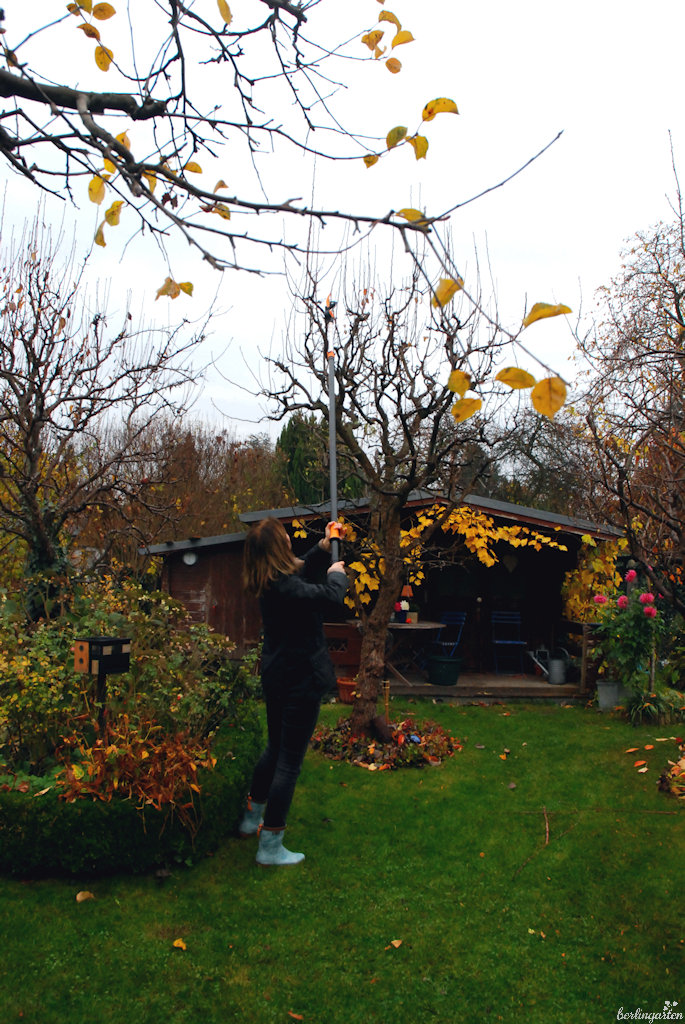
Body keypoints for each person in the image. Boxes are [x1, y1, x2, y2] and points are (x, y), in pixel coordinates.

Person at [239, 517, 348, 866]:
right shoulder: (288, 589)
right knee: (289, 762)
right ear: (276, 546)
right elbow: (331, 598)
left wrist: (323, 545)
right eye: (284, 534)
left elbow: (298, 567)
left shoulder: (270, 579)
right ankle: (270, 844)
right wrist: (337, 573)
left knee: (275, 748)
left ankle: (251, 817)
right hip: (300, 680)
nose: (288, 536)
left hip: (278, 676)